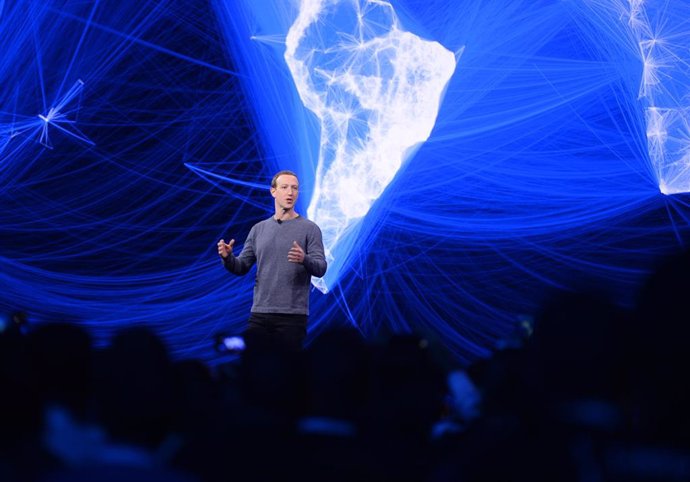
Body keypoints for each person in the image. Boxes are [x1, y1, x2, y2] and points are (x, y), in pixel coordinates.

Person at [217, 170, 327, 351]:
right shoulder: (258, 229)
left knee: (287, 371)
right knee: (254, 368)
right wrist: (228, 258)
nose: (290, 193)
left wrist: (304, 259)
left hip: (292, 316)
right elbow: (241, 267)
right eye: (284, 187)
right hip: (259, 314)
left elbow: (321, 268)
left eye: (294, 188)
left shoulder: (310, 229)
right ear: (273, 191)